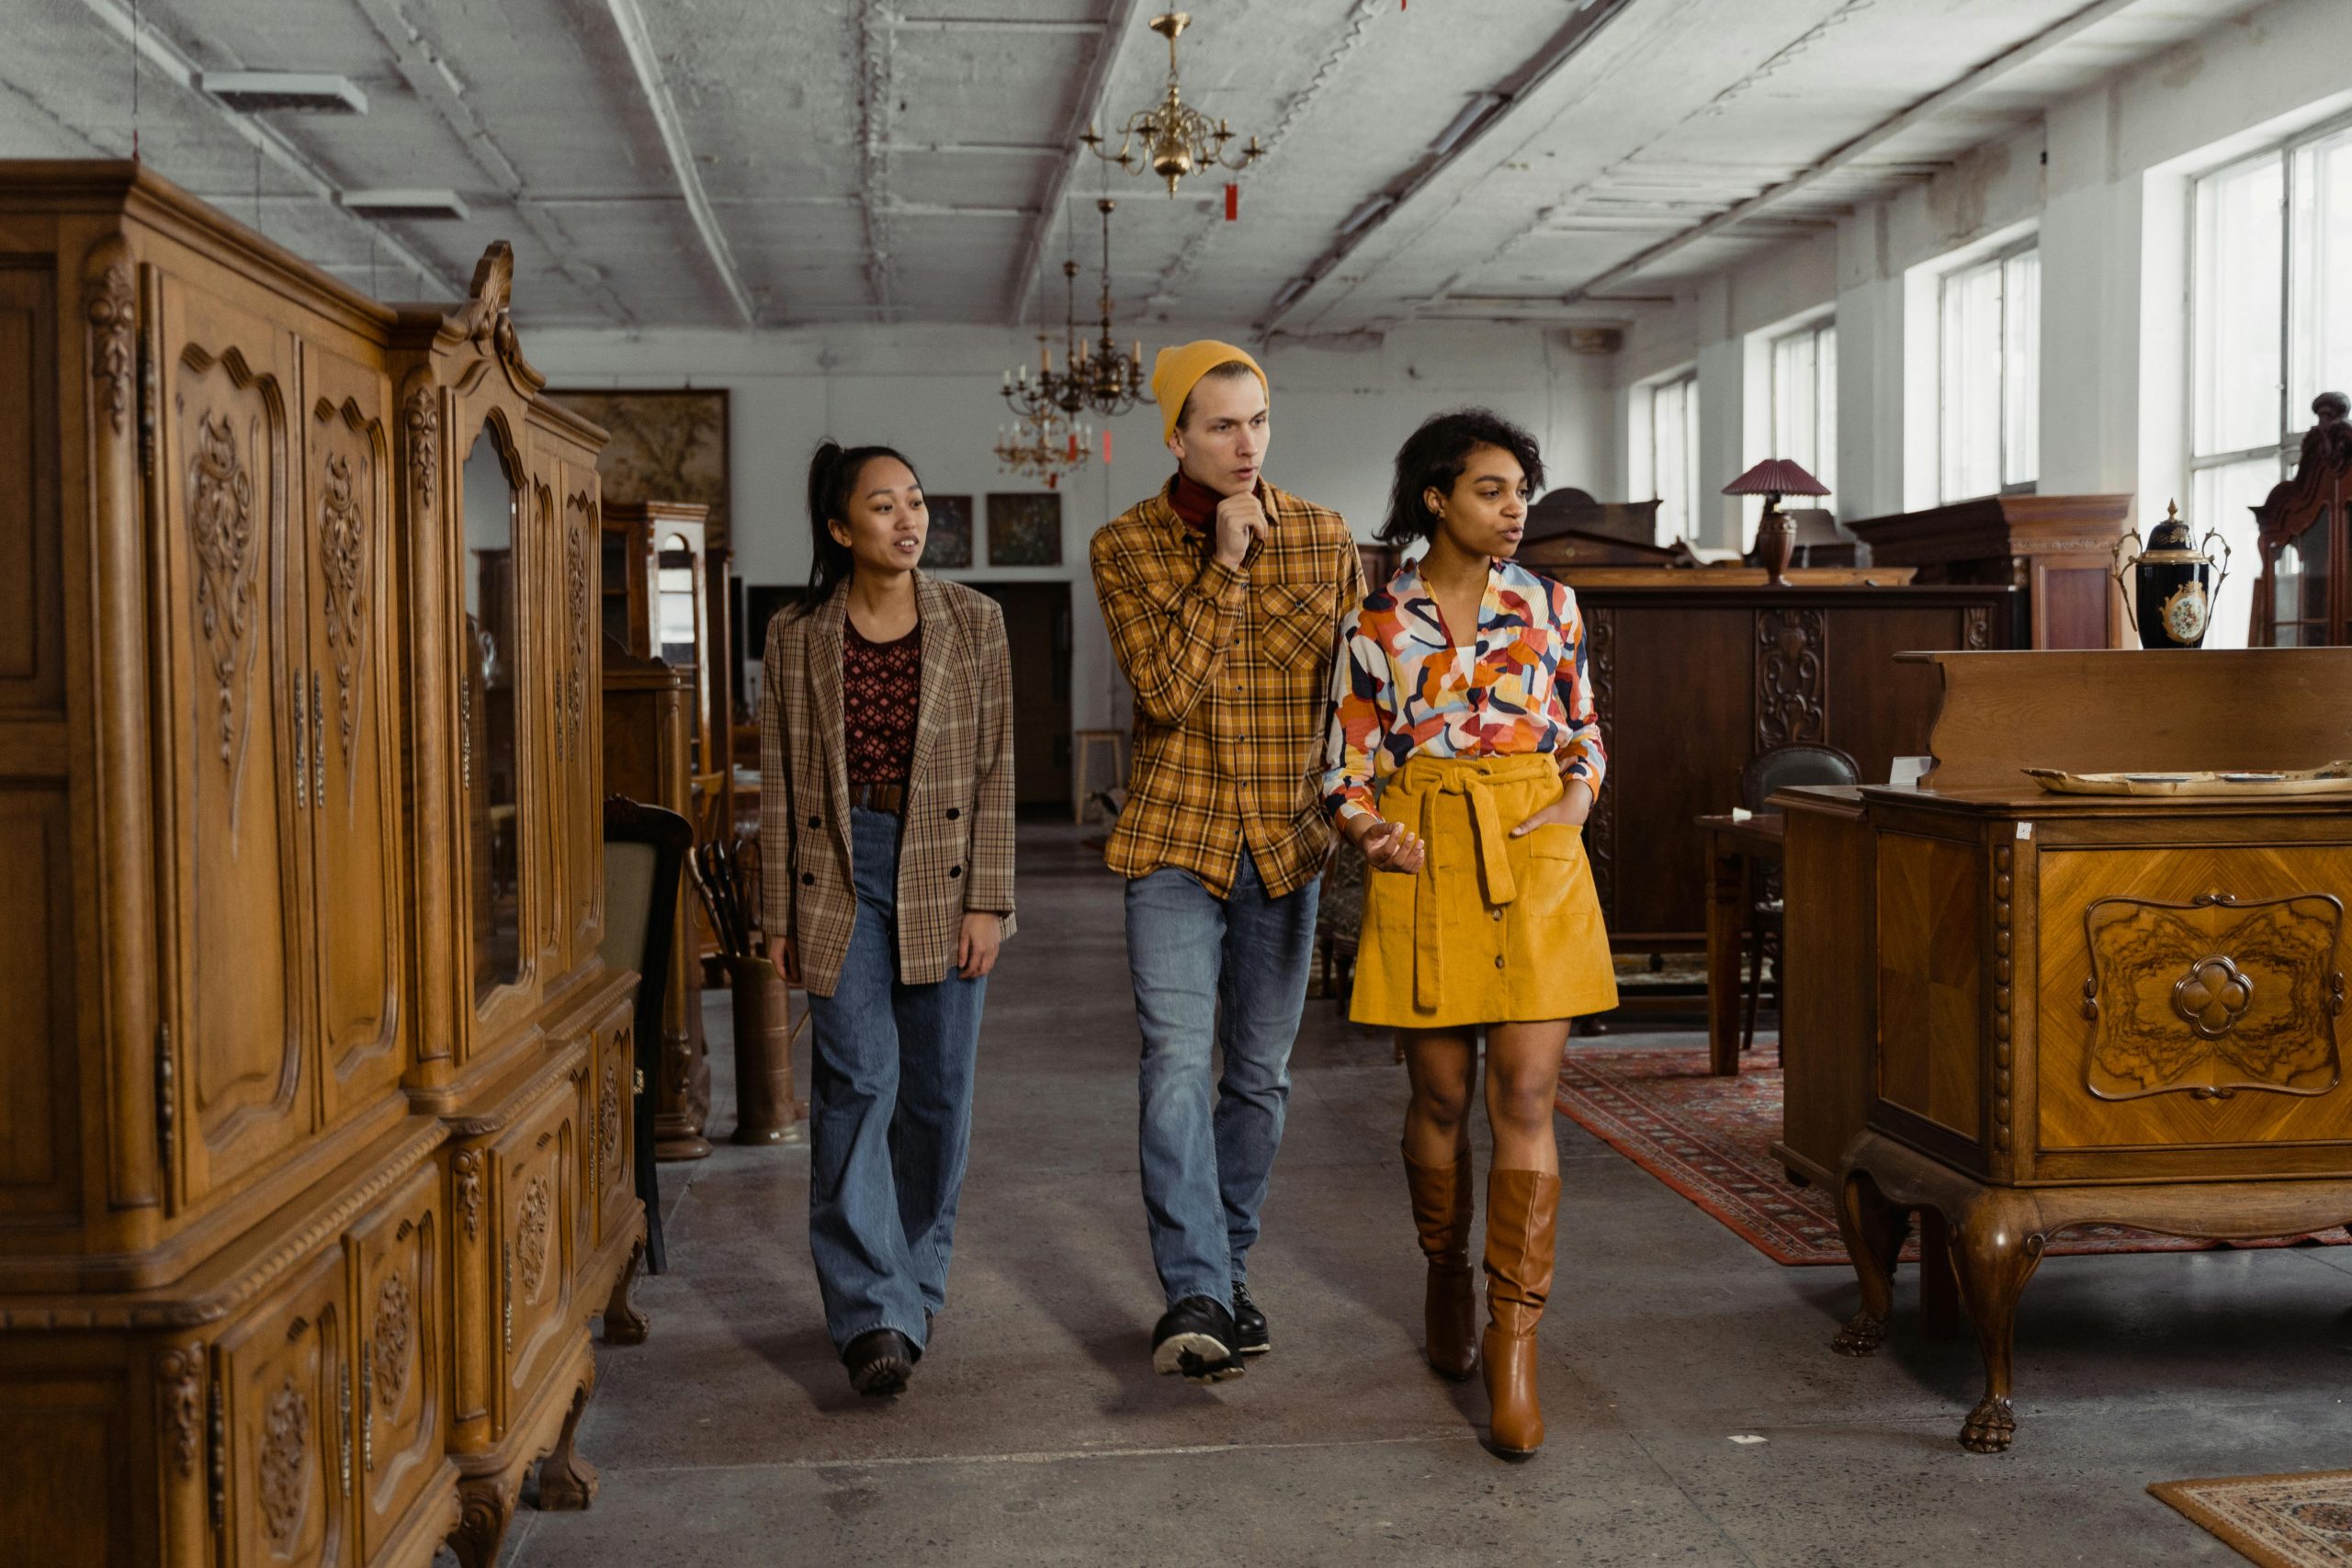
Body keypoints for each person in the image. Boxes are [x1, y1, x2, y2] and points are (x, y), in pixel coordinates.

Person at [1319, 409, 1617, 1457]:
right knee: (1439, 1095)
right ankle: (1443, 1269)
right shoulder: (1374, 624)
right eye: (1491, 490)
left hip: (1535, 847)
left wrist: (1576, 801)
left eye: (1519, 491)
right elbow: (1343, 768)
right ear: (1436, 498)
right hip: (1427, 854)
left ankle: (1515, 1343)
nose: (1513, 509)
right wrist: (1371, 833)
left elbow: (1582, 729)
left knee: (1525, 1096)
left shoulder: (1551, 606)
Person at [1090, 341, 1365, 1382]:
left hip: (1286, 849)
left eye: (1255, 420)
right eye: (1219, 425)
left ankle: (1226, 1272)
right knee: (1173, 1068)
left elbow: (1350, 699)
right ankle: (1194, 1285)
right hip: (1175, 843)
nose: (1243, 443)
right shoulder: (1125, 547)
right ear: (1176, 438)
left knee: (1256, 1079)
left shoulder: (1327, 537)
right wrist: (1224, 567)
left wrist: (1359, 817)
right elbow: (1162, 691)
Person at [761, 439, 1017, 1397]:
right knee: (854, 1083)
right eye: (882, 506)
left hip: (942, 869)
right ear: (839, 529)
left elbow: (996, 770)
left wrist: (989, 899)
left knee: (937, 1095)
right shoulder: (796, 633)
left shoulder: (974, 621)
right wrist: (777, 907)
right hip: (840, 867)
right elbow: (783, 779)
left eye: (915, 500)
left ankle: (908, 1283)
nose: (908, 519)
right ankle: (871, 1312)